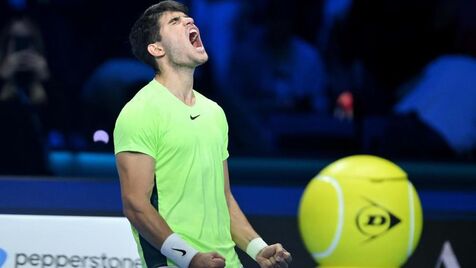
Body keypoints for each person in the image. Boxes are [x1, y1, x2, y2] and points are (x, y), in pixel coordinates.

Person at [113, 1, 293, 268]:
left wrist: (257, 248)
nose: (189, 22)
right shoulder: (139, 112)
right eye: (175, 21)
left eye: (188, 18)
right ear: (156, 48)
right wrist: (190, 258)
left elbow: (223, 197)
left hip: (228, 262)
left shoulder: (214, 112)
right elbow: (135, 205)